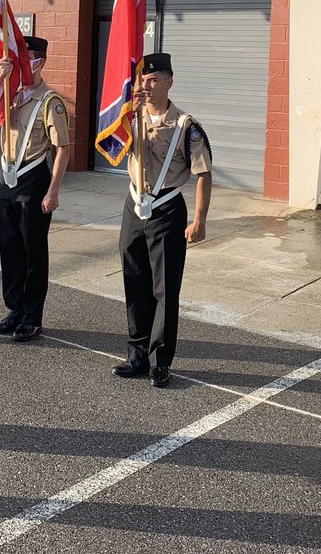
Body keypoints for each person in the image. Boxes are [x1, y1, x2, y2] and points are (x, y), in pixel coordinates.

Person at [111, 52, 212, 389]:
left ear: (170, 81)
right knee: (134, 281)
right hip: (134, 204)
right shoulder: (130, 117)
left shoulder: (187, 126)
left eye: (155, 80)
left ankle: (160, 362)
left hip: (167, 208)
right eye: (144, 79)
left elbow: (203, 174)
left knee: (164, 289)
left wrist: (199, 219)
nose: (149, 85)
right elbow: (110, 147)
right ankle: (136, 354)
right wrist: (130, 110)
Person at [0, 36, 70, 342]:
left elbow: (62, 149)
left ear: (39, 63)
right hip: (8, 177)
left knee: (33, 252)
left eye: (24, 60)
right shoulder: (9, 94)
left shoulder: (50, 103)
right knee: (9, 247)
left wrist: (53, 191)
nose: (19, 66)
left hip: (33, 178)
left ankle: (32, 316)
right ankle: (14, 309)